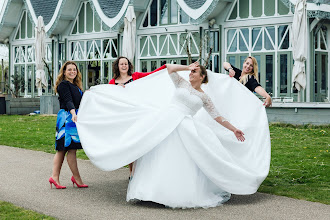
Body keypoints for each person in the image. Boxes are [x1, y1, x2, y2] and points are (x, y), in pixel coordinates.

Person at [76, 62, 271, 208]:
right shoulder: (181, 84)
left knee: (178, 158)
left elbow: (217, 117)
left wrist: (234, 129)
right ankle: (149, 192)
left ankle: (172, 193)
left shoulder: (204, 97)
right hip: (165, 120)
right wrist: (187, 66)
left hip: (185, 125)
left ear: (202, 77)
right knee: (156, 152)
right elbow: (169, 68)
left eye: (195, 72)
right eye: (191, 72)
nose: (191, 74)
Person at [109, 56, 166, 178]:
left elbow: (152, 74)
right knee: (129, 145)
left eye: (126, 64)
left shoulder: (136, 76)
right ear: (117, 66)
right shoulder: (112, 82)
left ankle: (142, 172)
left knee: (141, 143)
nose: (124, 66)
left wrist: (165, 67)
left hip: (138, 115)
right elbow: (108, 97)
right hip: (123, 117)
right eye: (121, 64)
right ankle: (132, 172)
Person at [49, 61, 88, 189]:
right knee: (65, 149)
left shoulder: (75, 86)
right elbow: (68, 100)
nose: (72, 71)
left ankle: (57, 177)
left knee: (68, 149)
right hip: (67, 118)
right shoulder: (64, 85)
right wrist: (73, 113)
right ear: (64, 72)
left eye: (74, 69)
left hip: (73, 118)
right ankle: (72, 178)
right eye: (69, 69)